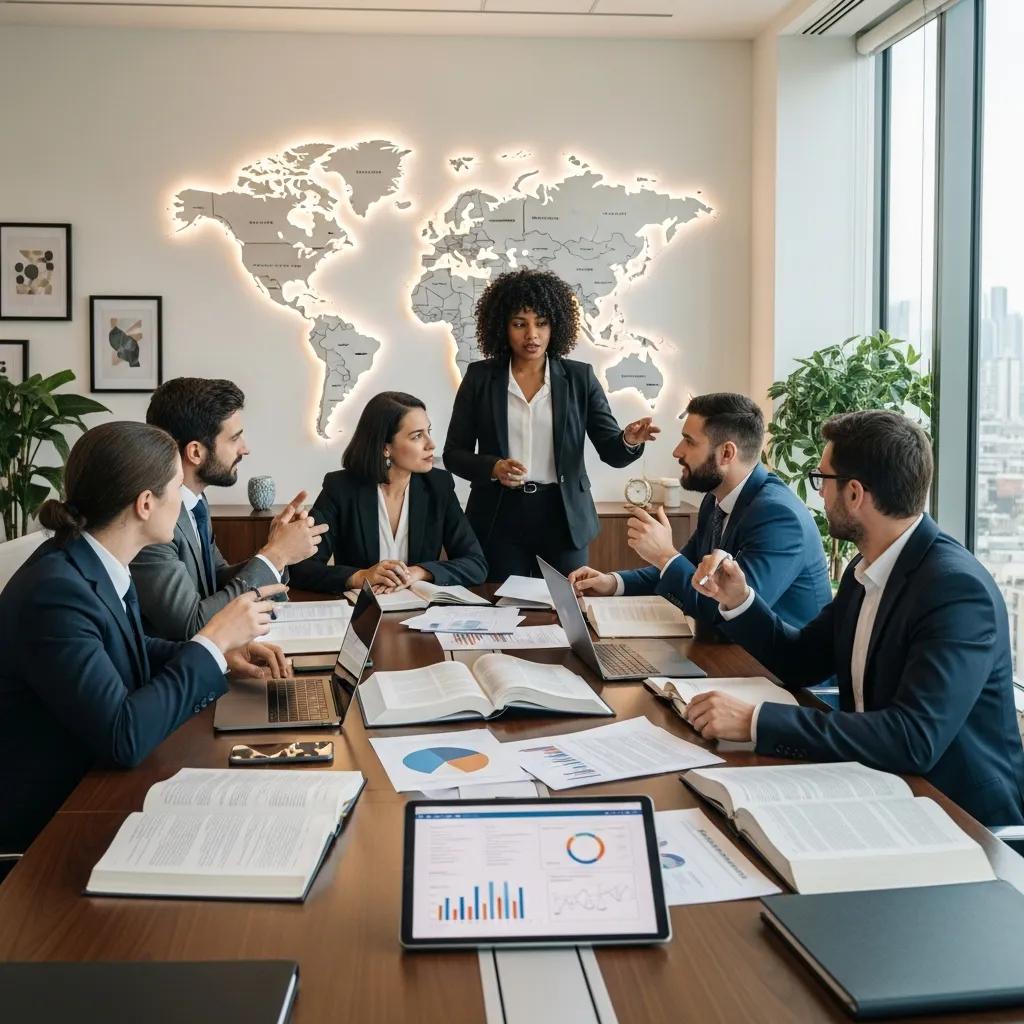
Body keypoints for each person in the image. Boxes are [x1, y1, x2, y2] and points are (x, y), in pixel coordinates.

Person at [689, 410, 1024, 827]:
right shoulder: (865, 568)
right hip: (873, 784)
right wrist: (739, 600)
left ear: (854, 494)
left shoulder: (955, 590)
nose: (819, 496)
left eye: (822, 480)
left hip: (955, 816)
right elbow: (801, 660)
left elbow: (913, 738)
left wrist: (756, 721)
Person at [0, 421, 290, 856]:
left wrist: (220, 655)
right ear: (145, 503)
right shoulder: (55, 592)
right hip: (54, 828)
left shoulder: (91, 560)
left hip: (94, 787)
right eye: (177, 486)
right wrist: (209, 644)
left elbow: (126, 650)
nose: (185, 500)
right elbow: (123, 736)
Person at [443, 268, 659, 581]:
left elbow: (612, 451)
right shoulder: (480, 378)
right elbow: (454, 454)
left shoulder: (580, 378)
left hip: (563, 517)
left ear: (555, 325)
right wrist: (493, 467)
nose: (532, 335)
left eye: (541, 323)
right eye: (520, 324)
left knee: (566, 609)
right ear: (502, 327)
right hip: (498, 517)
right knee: (501, 610)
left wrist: (628, 439)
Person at [570, 393, 831, 634]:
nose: (677, 451)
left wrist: (664, 555)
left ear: (727, 453)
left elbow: (724, 613)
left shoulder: (778, 517)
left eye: (689, 441)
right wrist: (612, 583)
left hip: (781, 677)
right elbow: (686, 568)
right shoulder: (715, 499)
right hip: (730, 656)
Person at [133, 377, 327, 639]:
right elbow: (192, 625)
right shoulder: (151, 521)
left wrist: (279, 551)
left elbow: (217, 579)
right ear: (195, 452)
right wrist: (275, 555)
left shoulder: (195, 501)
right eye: (235, 438)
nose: (245, 449)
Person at [290, 392, 487, 593]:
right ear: (386, 448)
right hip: (361, 613)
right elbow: (300, 568)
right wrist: (360, 577)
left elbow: (476, 565)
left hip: (420, 613)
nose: (431, 444)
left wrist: (419, 572)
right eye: (417, 436)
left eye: (428, 431)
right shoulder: (340, 488)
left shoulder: (439, 485)